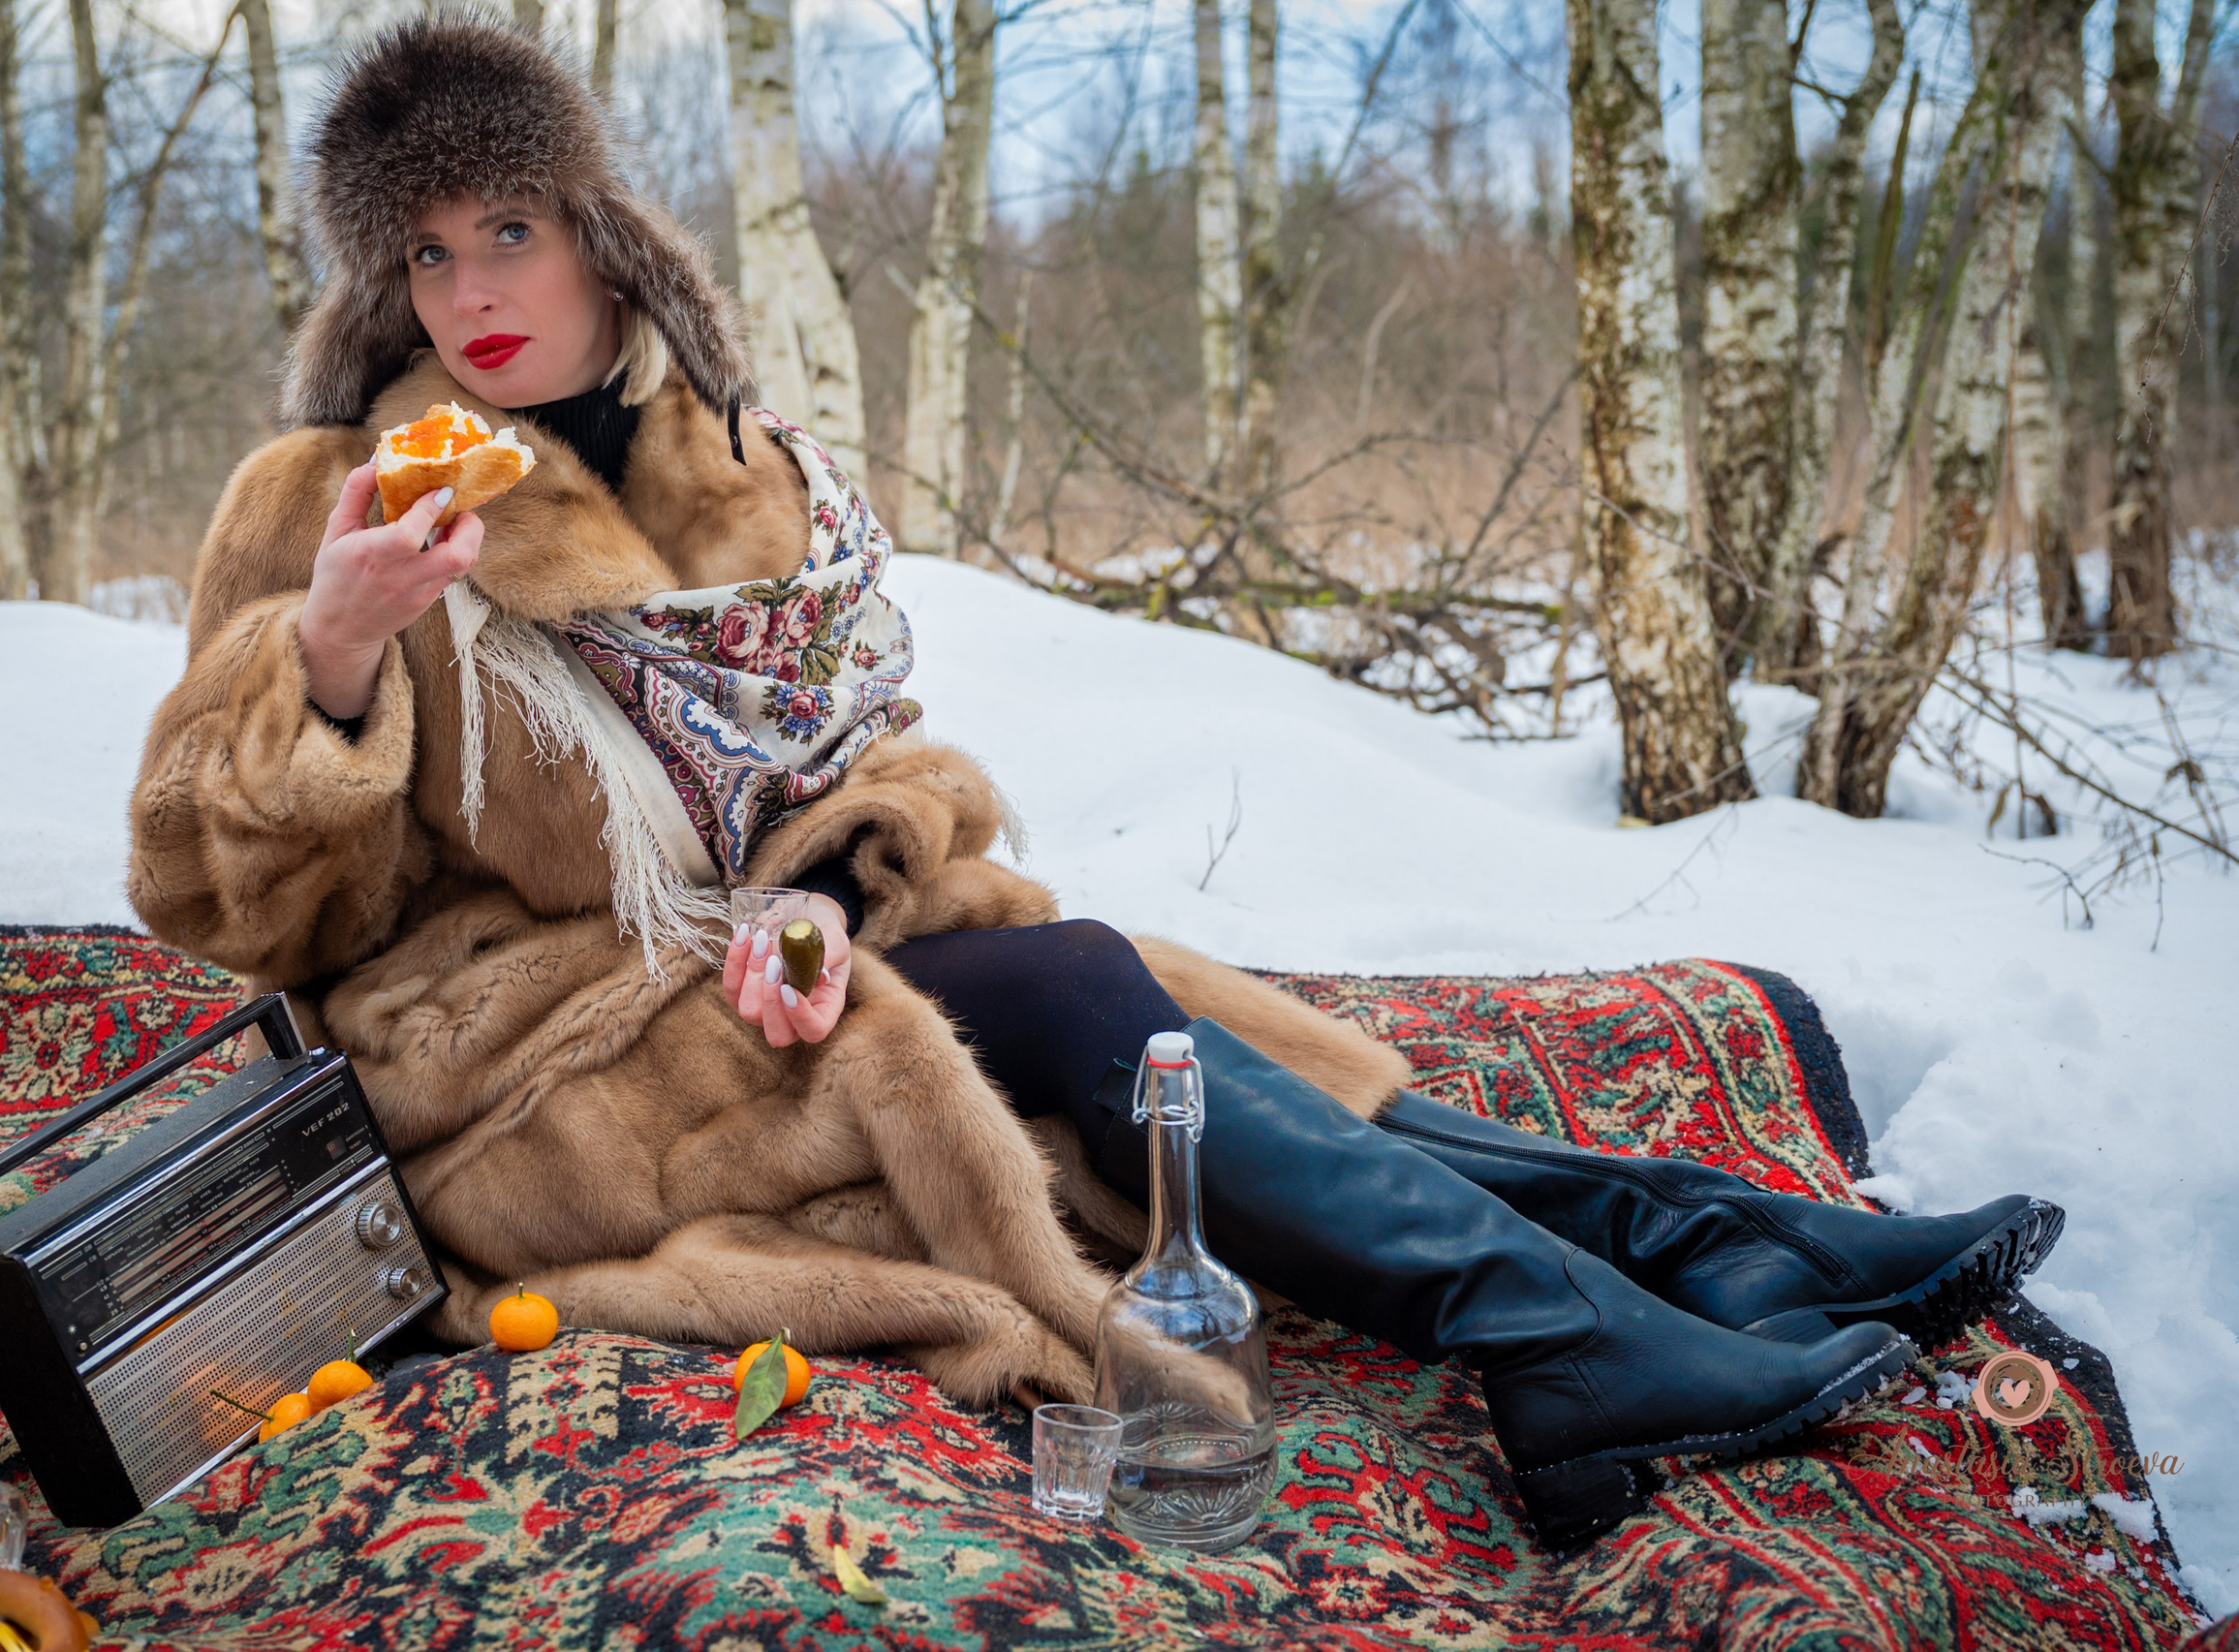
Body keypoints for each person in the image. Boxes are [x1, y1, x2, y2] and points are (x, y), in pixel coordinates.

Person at [126, 15, 2061, 1547]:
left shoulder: (733, 458)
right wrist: (335, 654)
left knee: (1097, 995)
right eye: (426, 248)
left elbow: (851, 755)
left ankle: (1681, 1253)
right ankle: (1593, 1316)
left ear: (597, 227)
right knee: (1067, 996)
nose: (470, 283)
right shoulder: (329, 501)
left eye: (509, 227)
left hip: (759, 966)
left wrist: (818, 889)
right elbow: (237, 911)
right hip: (539, 1065)